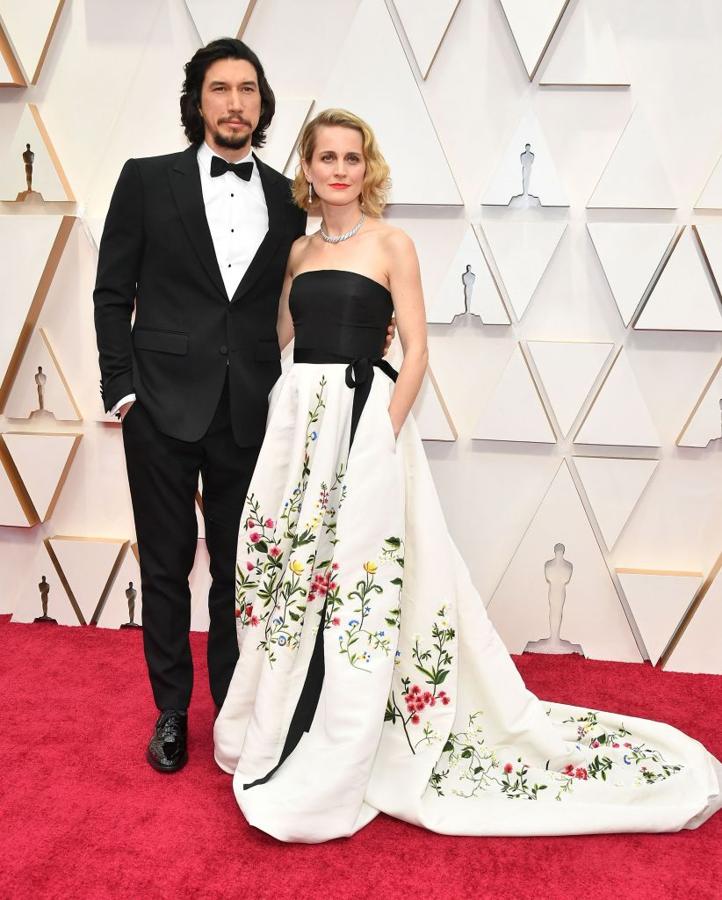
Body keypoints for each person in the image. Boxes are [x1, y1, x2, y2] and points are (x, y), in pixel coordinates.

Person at [214, 108, 722, 842]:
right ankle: (289, 716)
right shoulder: (295, 253)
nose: (339, 170)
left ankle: (356, 725)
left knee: (365, 580)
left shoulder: (394, 243)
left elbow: (416, 350)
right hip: (302, 431)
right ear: (308, 167)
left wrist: (378, 436)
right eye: (325, 157)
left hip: (366, 427)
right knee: (297, 576)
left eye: (352, 158)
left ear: (368, 167)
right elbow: (284, 342)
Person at [93, 38, 310, 774]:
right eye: (220, 89)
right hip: (156, 404)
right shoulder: (147, 180)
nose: (235, 103)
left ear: (262, 102)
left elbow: (284, 303)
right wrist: (120, 390)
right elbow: (111, 290)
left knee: (238, 573)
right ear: (197, 102)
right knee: (164, 564)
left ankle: (232, 711)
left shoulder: (289, 197)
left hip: (246, 408)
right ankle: (170, 714)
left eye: (247, 89)